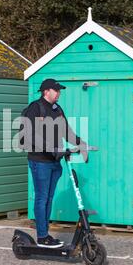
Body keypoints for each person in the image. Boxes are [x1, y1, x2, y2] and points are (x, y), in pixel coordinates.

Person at [24, 78, 88, 248]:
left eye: (59, 91)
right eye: (56, 90)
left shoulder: (57, 109)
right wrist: (51, 149)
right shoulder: (35, 108)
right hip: (40, 161)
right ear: (46, 91)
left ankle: (45, 235)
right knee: (42, 197)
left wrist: (81, 143)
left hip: (55, 162)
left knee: (49, 198)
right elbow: (29, 136)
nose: (59, 93)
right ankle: (42, 237)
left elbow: (66, 131)